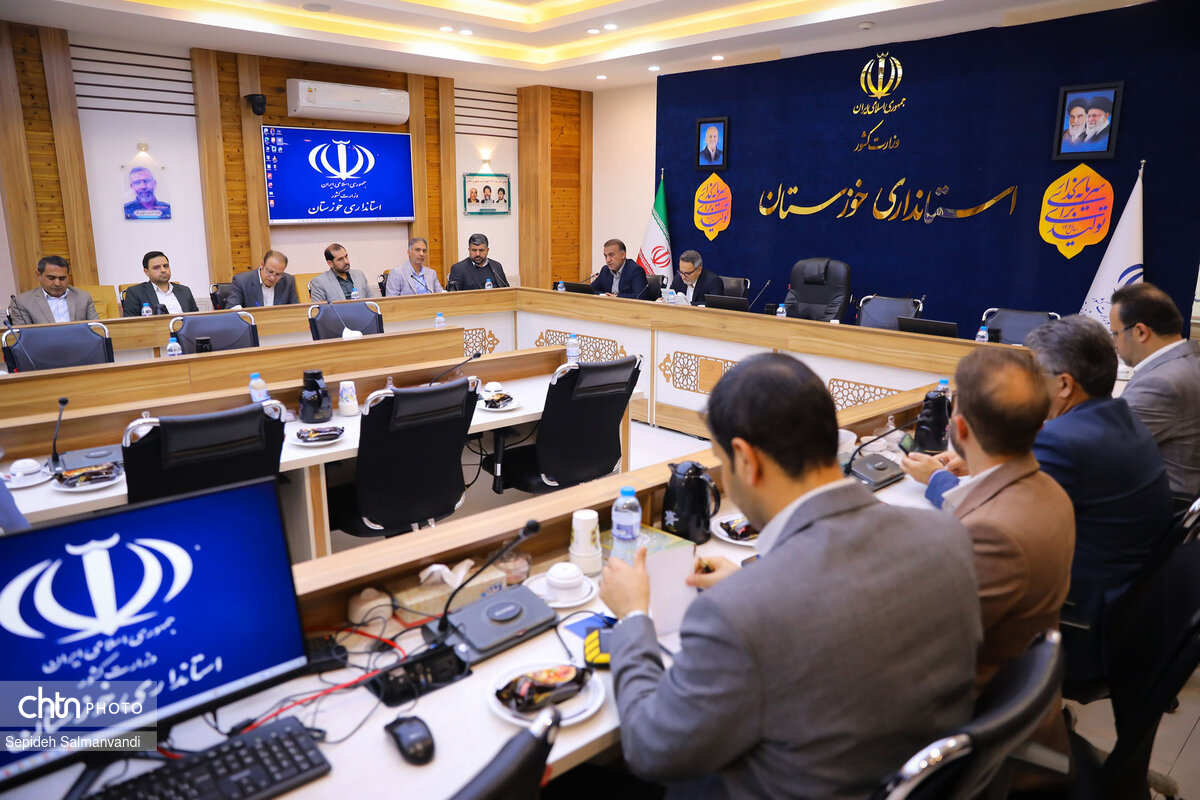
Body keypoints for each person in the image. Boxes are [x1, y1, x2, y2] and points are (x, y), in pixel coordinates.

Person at [599, 353, 981, 798]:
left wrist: (633, 618)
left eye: (722, 461)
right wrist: (751, 584)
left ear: (746, 460)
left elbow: (652, 749)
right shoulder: (948, 536)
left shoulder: (740, 613)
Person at [916, 315, 1174, 680]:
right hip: (1132, 599)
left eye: (1034, 376)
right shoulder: (1115, 416)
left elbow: (997, 507)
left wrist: (935, 478)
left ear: (1065, 385)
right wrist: (980, 457)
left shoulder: (1064, 440)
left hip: (1086, 616)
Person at [899, 347, 1074, 771]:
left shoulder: (994, 533)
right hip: (1013, 696)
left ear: (958, 427)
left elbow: (911, 644)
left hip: (976, 737)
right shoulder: (1049, 489)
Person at [1110, 282, 1200, 504]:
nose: (1114, 343)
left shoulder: (1159, 382)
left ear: (1140, 332)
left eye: (1115, 334)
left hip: (1162, 506)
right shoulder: (1190, 362)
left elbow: (1108, 448)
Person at [8, 256, 99, 324]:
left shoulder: (83, 297)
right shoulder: (22, 302)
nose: (57, 283)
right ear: (38, 275)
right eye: (51, 278)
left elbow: (97, 328)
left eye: (62, 278)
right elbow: (23, 337)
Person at [122, 251, 199, 315]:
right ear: (146, 272)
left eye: (166, 266)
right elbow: (131, 324)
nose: (163, 270)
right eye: (156, 268)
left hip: (185, 328)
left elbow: (196, 318)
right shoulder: (136, 292)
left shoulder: (185, 291)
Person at [309, 243, 379, 302]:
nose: (346, 261)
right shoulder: (320, 282)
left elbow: (372, 302)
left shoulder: (359, 275)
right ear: (330, 263)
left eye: (346, 256)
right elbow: (318, 310)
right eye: (340, 259)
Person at [227, 250, 298, 308]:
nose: (272, 278)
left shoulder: (288, 281)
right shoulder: (242, 281)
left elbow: (295, 309)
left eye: (278, 274)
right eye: (270, 271)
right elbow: (232, 307)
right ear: (262, 264)